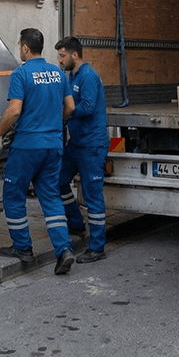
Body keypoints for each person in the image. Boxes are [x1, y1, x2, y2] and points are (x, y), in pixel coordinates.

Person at [0, 28, 77, 275]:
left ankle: (23, 248)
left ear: (25, 48)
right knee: (50, 197)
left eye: (20, 46)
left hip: (27, 146)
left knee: (13, 195)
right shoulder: (58, 74)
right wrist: (54, 124)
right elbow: (70, 106)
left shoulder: (21, 73)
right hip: (53, 144)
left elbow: (14, 111)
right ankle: (64, 250)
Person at [55, 36, 109, 264]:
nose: (60, 60)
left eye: (62, 55)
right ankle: (76, 224)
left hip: (92, 145)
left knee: (92, 196)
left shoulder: (87, 76)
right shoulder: (72, 75)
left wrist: (64, 114)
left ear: (74, 55)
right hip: (76, 144)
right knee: (58, 180)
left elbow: (87, 107)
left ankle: (97, 247)